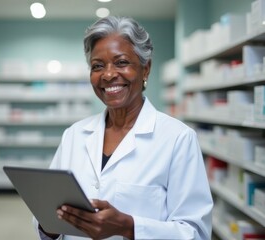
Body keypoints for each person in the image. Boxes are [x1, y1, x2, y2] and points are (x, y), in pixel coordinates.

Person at [34, 16, 213, 240]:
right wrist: (49, 226)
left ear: (145, 69)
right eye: (97, 66)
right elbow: (47, 220)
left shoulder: (178, 139)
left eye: (121, 62)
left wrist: (128, 227)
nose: (108, 75)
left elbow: (195, 233)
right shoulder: (74, 135)